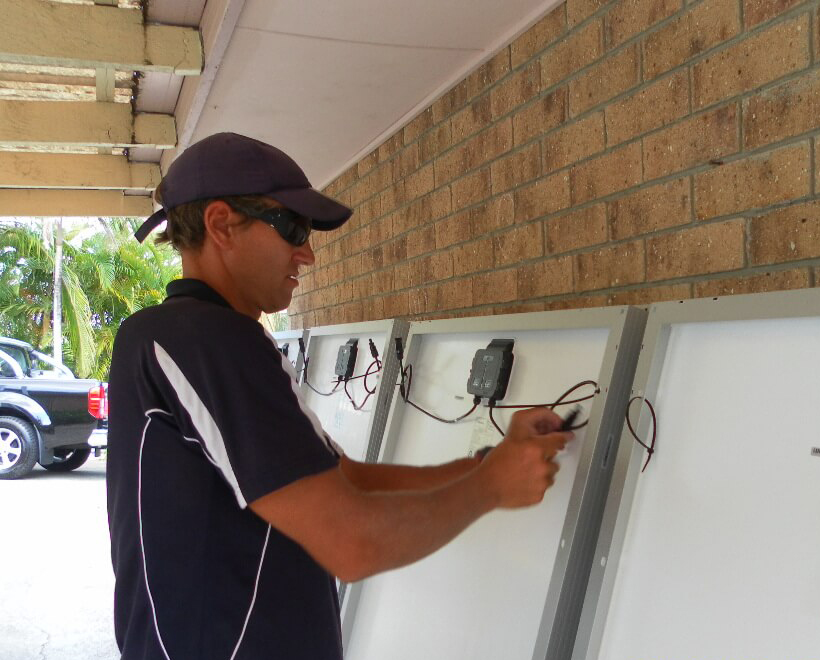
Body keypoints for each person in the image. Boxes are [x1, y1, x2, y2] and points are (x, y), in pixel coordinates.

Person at [106, 132, 573, 660]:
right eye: (292, 227)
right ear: (221, 225)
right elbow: (352, 544)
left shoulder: (175, 337)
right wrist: (492, 486)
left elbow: (345, 479)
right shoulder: (207, 339)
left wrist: (484, 464)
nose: (306, 253)